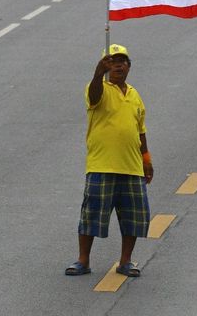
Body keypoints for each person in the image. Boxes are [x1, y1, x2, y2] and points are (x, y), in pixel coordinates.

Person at [65, 44, 154, 278]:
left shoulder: (134, 94)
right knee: (92, 214)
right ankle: (83, 260)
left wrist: (146, 159)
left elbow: (140, 130)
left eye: (122, 61)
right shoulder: (98, 89)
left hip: (132, 167)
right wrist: (97, 73)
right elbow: (93, 96)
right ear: (106, 66)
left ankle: (126, 262)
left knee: (133, 217)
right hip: (101, 165)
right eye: (113, 61)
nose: (118, 64)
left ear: (129, 67)